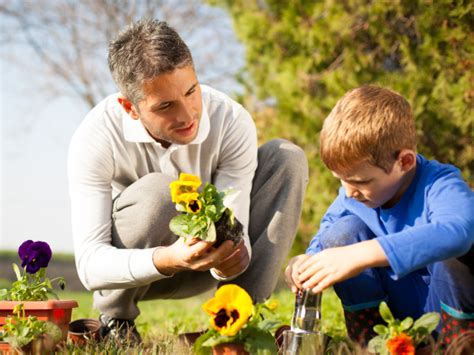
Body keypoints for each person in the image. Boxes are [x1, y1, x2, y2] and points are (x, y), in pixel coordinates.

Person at [68, 18, 308, 343]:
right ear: (130, 108)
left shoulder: (231, 120)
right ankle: (117, 322)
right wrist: (170, 258)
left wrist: (230, 259)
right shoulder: (95, 136)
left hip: (207, 269)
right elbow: (90, 265)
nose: (187, 115)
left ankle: (236, 325)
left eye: (191, 91)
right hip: (137, 272)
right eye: (165, 105)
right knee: (159, 191)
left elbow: (236, 222)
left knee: (286, 157)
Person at [285, 85, 473, 347]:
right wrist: (307, 261)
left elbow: (459, 232)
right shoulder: (355, 195)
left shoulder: (440, 184)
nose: (349, 193)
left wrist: (364, 254)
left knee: (459, 250)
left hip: (448, 316)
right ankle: (370, 343)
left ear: (405, 162)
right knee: (341, 233)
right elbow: (329, 232)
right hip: (394, 326)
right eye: (342, 182)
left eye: (361, 181)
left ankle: (458, 347)